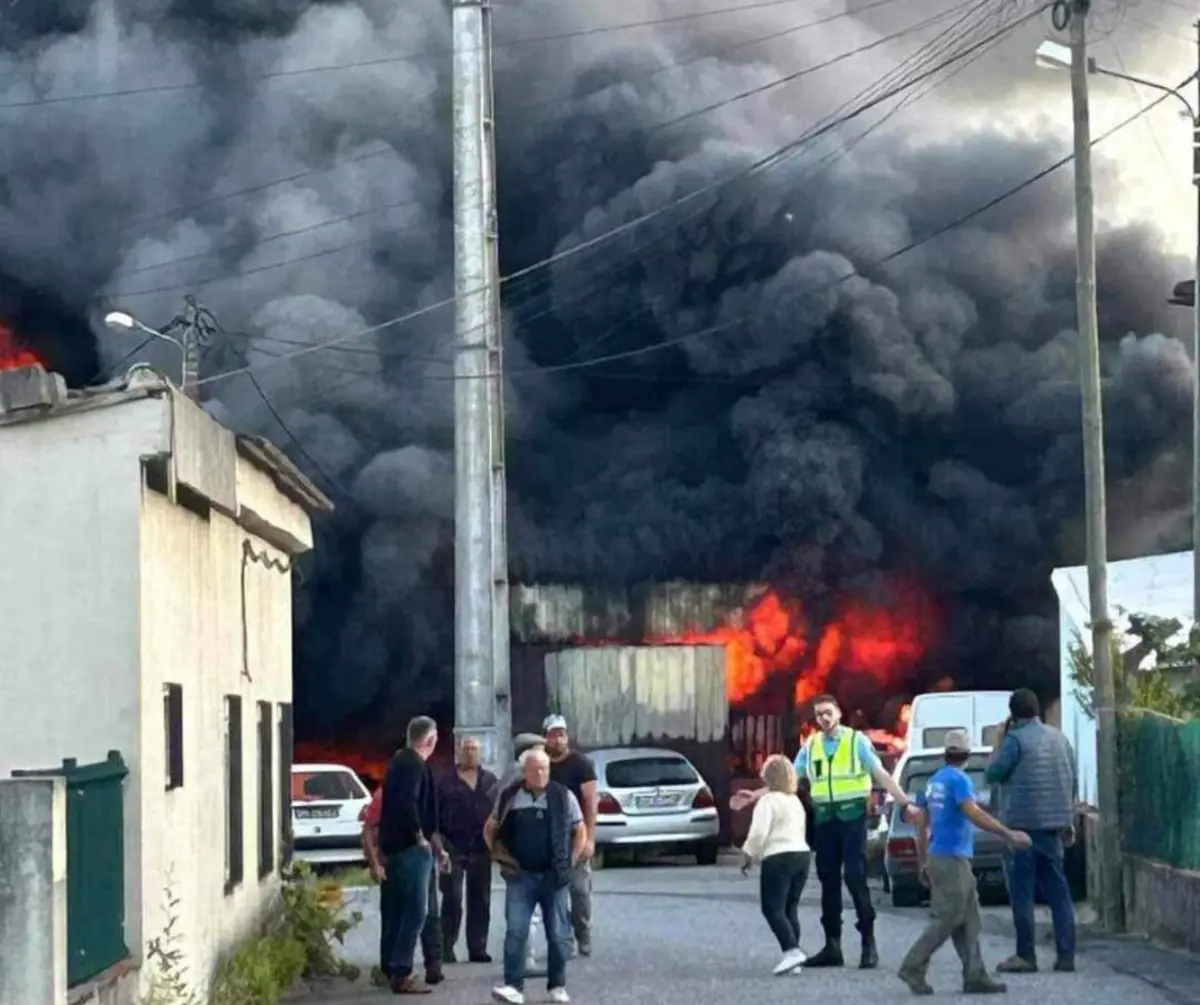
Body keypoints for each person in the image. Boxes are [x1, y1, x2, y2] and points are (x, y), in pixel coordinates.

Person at [735, 694, 920, 968]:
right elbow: (790, 780)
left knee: (856, 878)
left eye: (827, 712)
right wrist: (754, 795)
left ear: (839, 712)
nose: (823, 718)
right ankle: (832, 946)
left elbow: (880, 774)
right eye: (819, 714)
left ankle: (868, 945)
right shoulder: (811, 746)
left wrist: (905, 803)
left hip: (852, 817)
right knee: (828, 880)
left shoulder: (856, 742)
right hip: (825, 820)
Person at [897, 729, 1030, 996]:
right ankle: (913, 966)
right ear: (967, 754)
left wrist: (923, 859)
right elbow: (973, 813)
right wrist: (1007, 833)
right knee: (947, 918)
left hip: (942, 856)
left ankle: (975, 975)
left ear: (945, 754)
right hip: (953, 858)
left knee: (969, 919)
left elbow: (921, 824)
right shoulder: (959, 780)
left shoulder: (934, 781)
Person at [984, 688, 1078, 974]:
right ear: (1036, 710)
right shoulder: (1060, 738)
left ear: (1013, 715)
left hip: (1022, 829)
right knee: (1059, 894)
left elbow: (992, 774)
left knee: (1022, 893)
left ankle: (1026, 955)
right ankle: (1066, 957)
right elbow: (1071, 779)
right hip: (1054, 827)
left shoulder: (1015, 740)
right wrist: (1068, 819)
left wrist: (998, 742)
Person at [485, 746, 587, 1005]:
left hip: (554, 876)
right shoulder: (510, 796)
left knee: (558, 933)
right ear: (524, 772)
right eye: (535, 769)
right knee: (516, 932)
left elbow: (580, 830)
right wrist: (499, 855)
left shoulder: (564, 796)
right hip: (521, 876)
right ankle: (513, 987)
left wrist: (572, 861)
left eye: (545, 769)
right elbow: (490, 828)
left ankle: (557, 987)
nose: (540, 773)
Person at [378, 715, 440, 995]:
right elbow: (408, 802)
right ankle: (402, 972)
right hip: (411, 849)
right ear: (430, 740)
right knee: (417, 910)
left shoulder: (397, 761)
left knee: (396, 910)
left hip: (393, 848)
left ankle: (390, 967)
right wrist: (420, 836)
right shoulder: (415, 764)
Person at [740, 754, 812, 976]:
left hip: (778, 857)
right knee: (790, 907)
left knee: (772, 908)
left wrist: (748, 855)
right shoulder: (795, 801)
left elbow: (759, 832)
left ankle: (791, 951)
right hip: (802, 855)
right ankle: (795, 957)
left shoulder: (768, 801)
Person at [437, 735, 499, 963]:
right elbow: (433, 815)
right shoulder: (444, 781)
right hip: (451, 847)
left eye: (474, 749)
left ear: (480, 752)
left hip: (481, 848)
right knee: (452, 897)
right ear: (459, 752)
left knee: (481, 899)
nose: (470, 753)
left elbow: (499, 814)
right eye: (466, 749)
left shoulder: (491, 781)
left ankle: (478, 948)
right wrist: (438, 845)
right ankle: (446, 946)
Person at [542, 715, 598, 956]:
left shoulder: (580, 764)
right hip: (547, 836)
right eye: (553, 734)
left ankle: (582, 931)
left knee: (579, 889)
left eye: (561, 734)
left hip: (576, 834)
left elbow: (590, 802)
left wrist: (590, 838)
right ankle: (565, 939)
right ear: (546, 737)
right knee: (555, 891)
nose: (558, 739)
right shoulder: (540, 763)